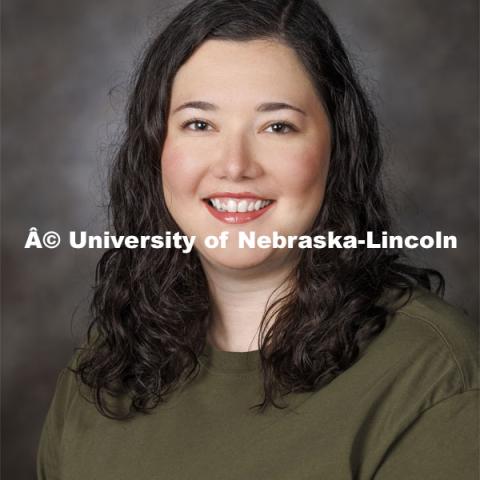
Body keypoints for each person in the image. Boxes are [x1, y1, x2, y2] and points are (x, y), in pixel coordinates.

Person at [36, 0, 479, 479]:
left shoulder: (433, 375)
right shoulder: (105, 364)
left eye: (277, 126)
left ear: (339, 147)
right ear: (155, 149)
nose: (234, 165)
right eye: (200, 124)